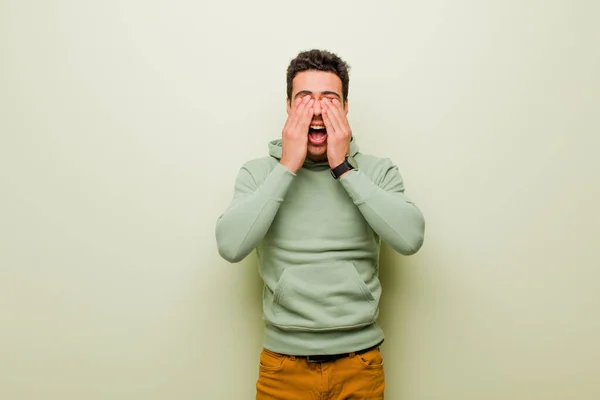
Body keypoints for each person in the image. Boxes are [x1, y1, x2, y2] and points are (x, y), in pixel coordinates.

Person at [215, 49, 425, 399]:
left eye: (329, 99)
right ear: (288, 107)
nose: (316, 109)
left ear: (345, 108)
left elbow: (410, 238)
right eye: (304, 99)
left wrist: (343, 168)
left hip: (360, 364)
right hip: (283, 366)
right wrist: (286, 166)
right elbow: (230, 246)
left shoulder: (376, 171)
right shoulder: (258, 173)